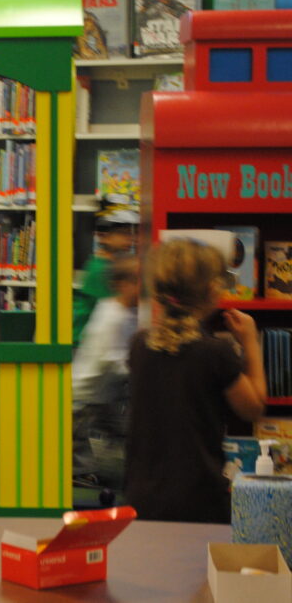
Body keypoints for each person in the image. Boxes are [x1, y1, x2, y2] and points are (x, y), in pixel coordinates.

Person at [124, 238, 267, 523]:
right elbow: (253, 408)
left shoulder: (139, 345)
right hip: (199, 500)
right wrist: (250, 341)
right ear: (212, 290)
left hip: (142, 498)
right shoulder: (215, 352)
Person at [71, 254, 139, 490]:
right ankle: (79, 476)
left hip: (106, 393)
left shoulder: (129, 313)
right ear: (122, 284)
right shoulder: (111, 315)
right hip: (86, 393)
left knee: (122, 431)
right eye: (137, 281)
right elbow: (108, 358)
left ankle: (127, 470)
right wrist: (135, 367)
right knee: (78, 438)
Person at [73, 204, 137, 346]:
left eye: (130, 234)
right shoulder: (100, 270)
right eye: (123, 234)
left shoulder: (112, 265)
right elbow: (118, 306)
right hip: (84, 342)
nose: (130, 239)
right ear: (104, 237)